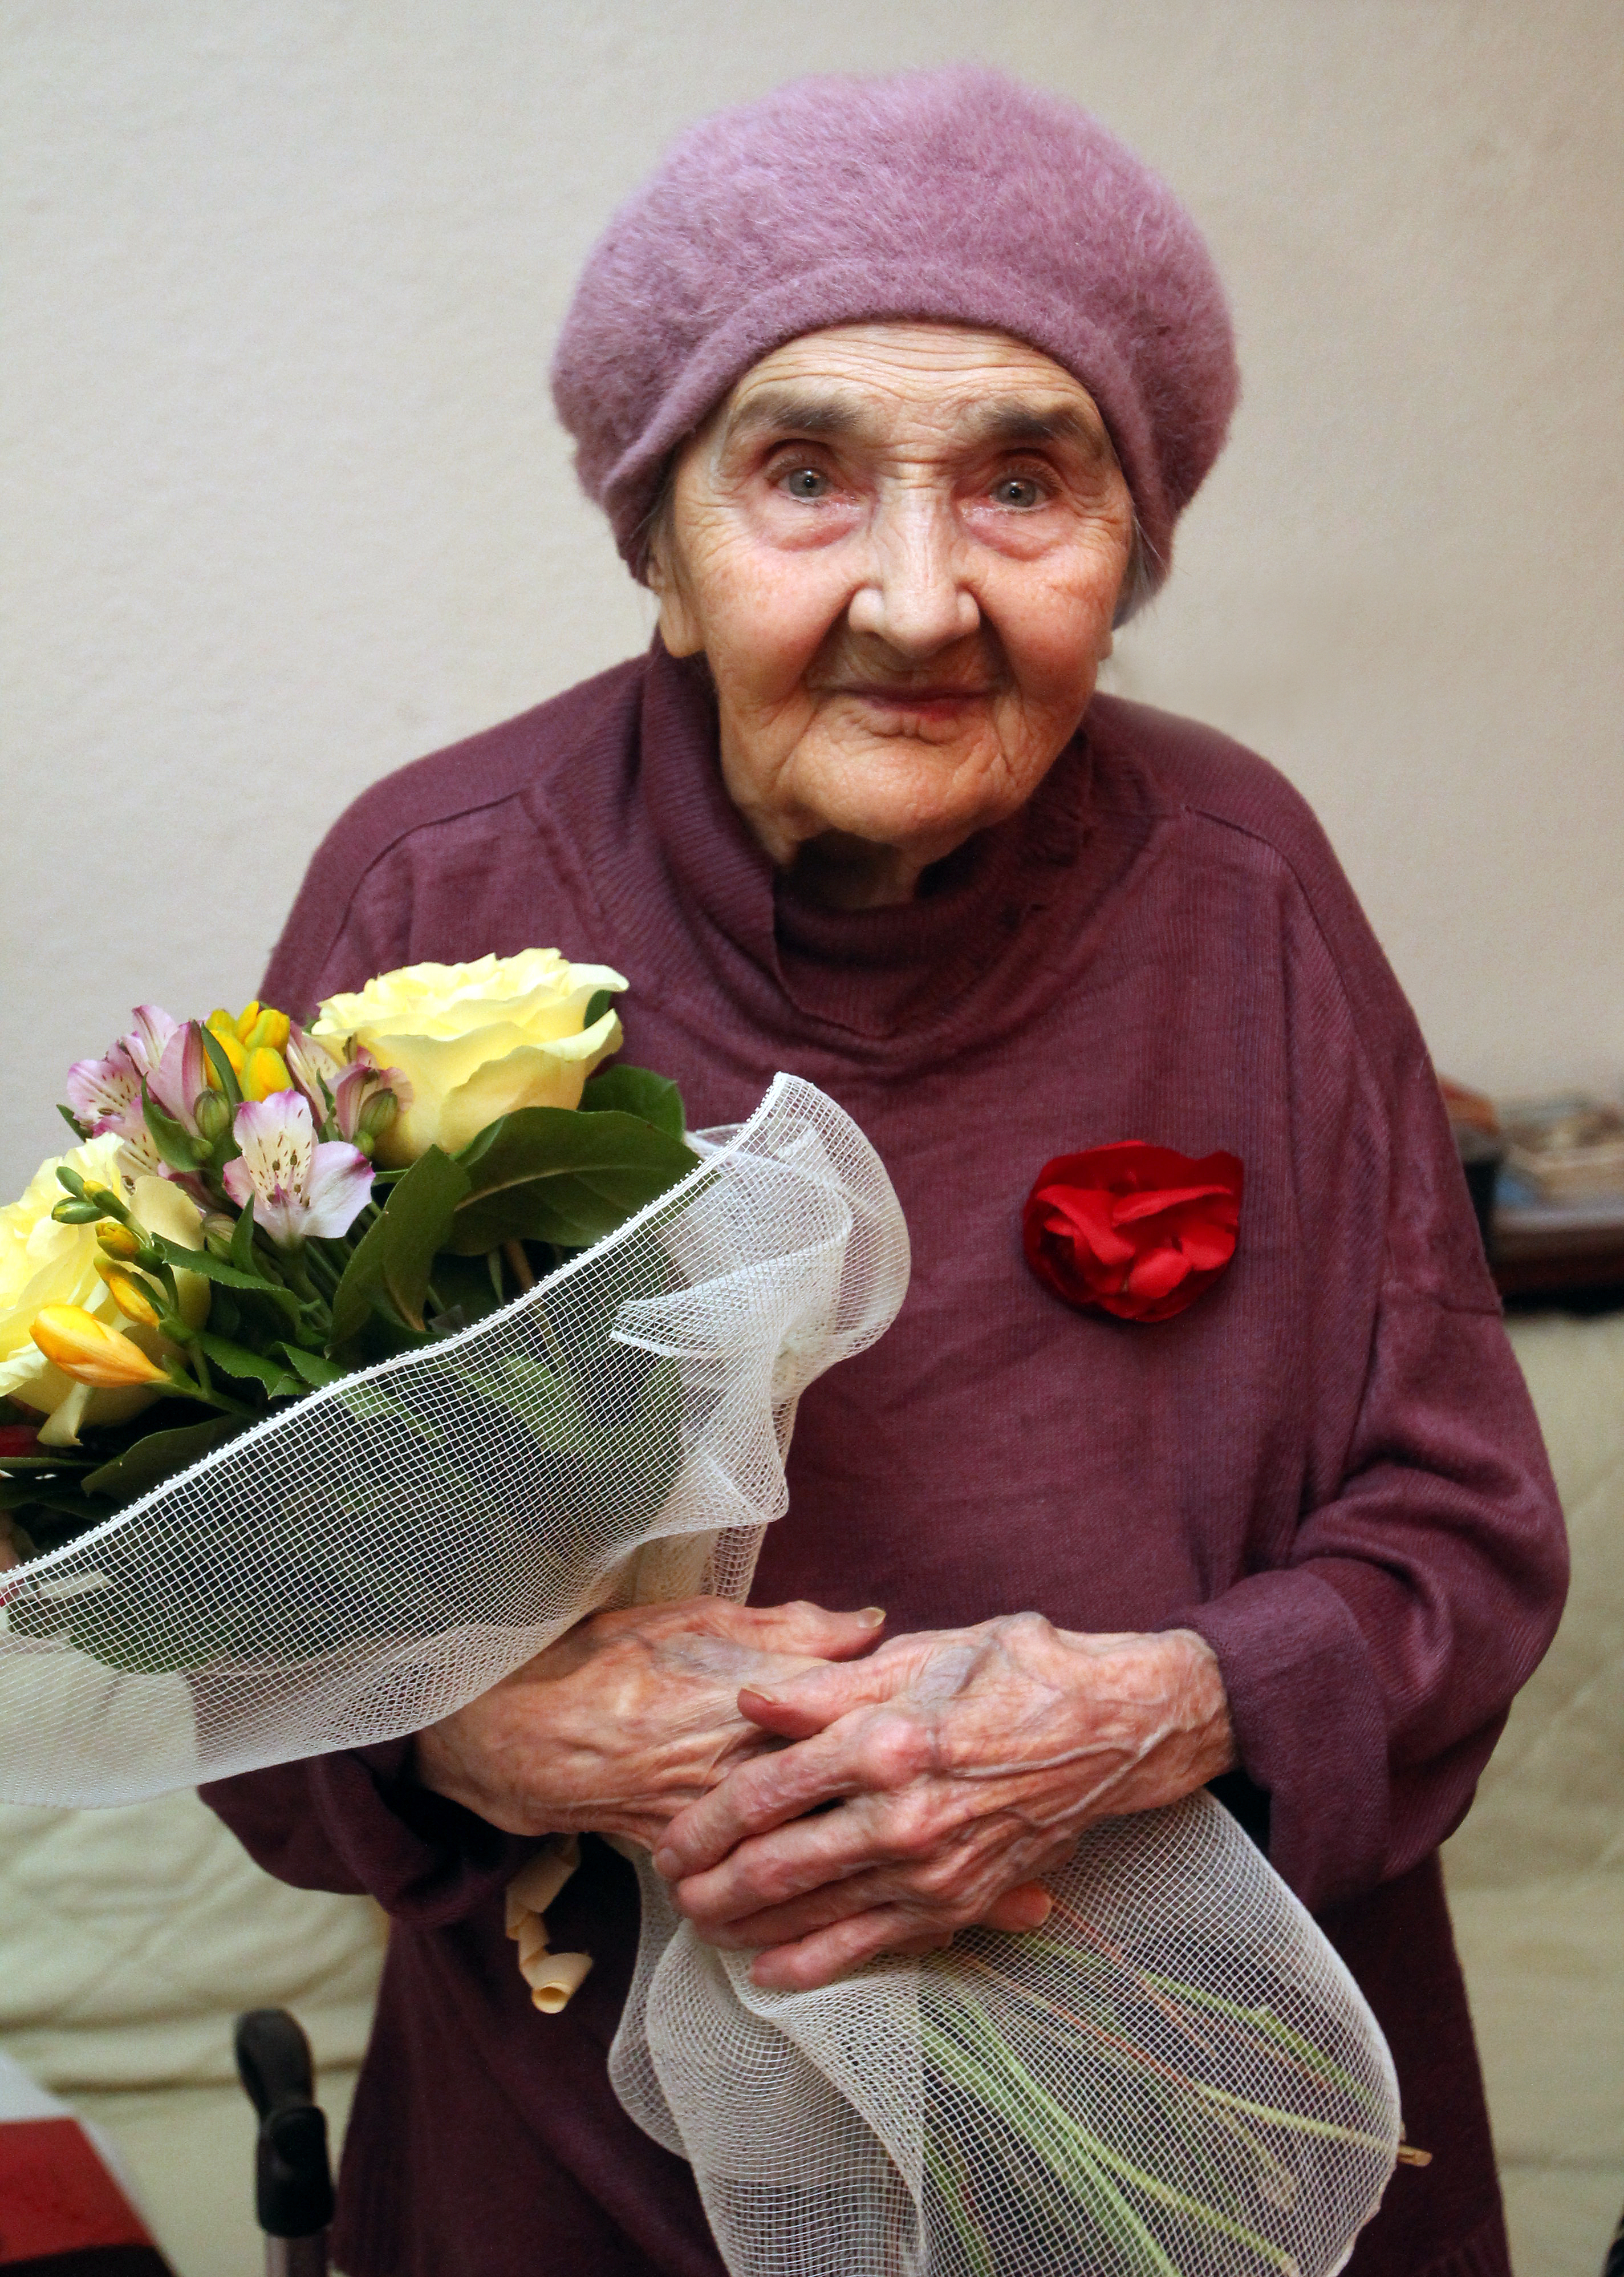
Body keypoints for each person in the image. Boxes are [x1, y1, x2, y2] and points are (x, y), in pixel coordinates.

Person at [202, 67, 1566, 2277]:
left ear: (1134, 553)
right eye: (805, 478)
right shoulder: (428, 894)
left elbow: (1468, 1544)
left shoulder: (1248, 884)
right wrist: (490, 1735)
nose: (918, 603)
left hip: (1188, 2128)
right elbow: (242, 1608)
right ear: (657, 549)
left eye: (1025, 483)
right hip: (589, 2148)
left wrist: (1156, 1711)